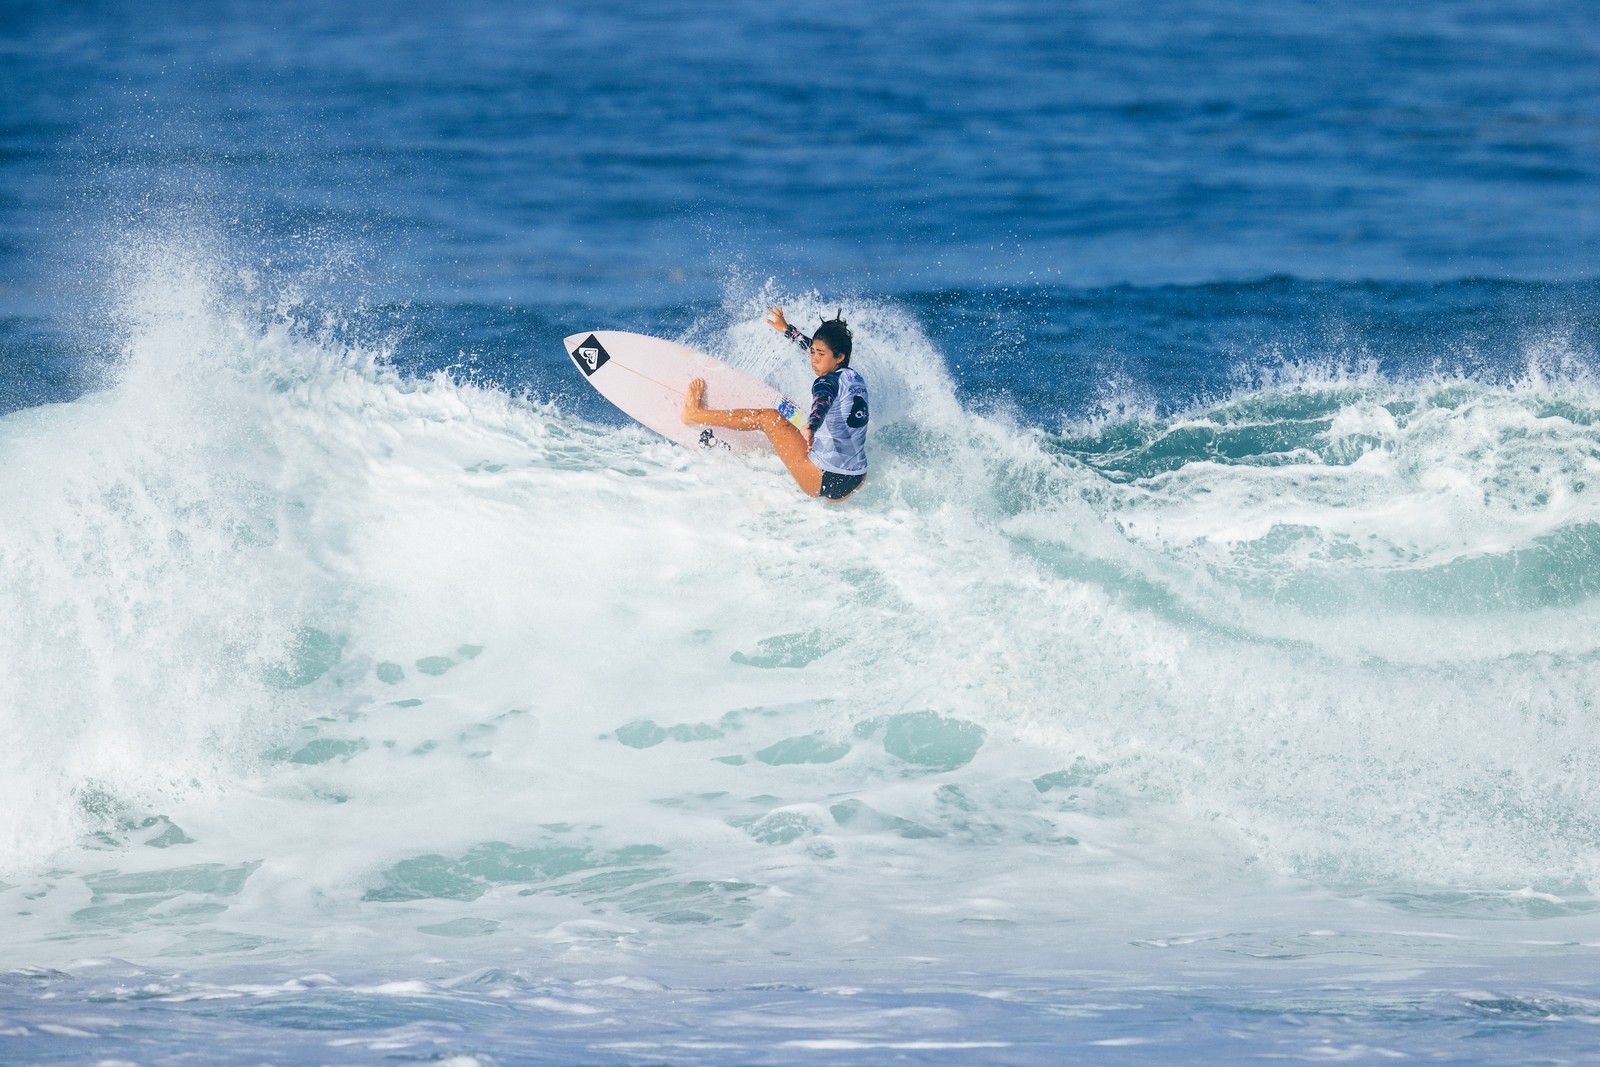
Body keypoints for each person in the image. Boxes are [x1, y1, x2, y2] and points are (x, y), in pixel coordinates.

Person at [682, 306, 869, 501]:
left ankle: (695, 414)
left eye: (820, 355)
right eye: (813, 352)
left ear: (839, 357)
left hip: (821, 479)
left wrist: (811, 426)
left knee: (769, 418)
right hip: (856, 478)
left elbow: (822, 402)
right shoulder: (855, 378)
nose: (814, 360)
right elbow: (813, 348)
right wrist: (787, 330)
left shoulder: (825, 382)